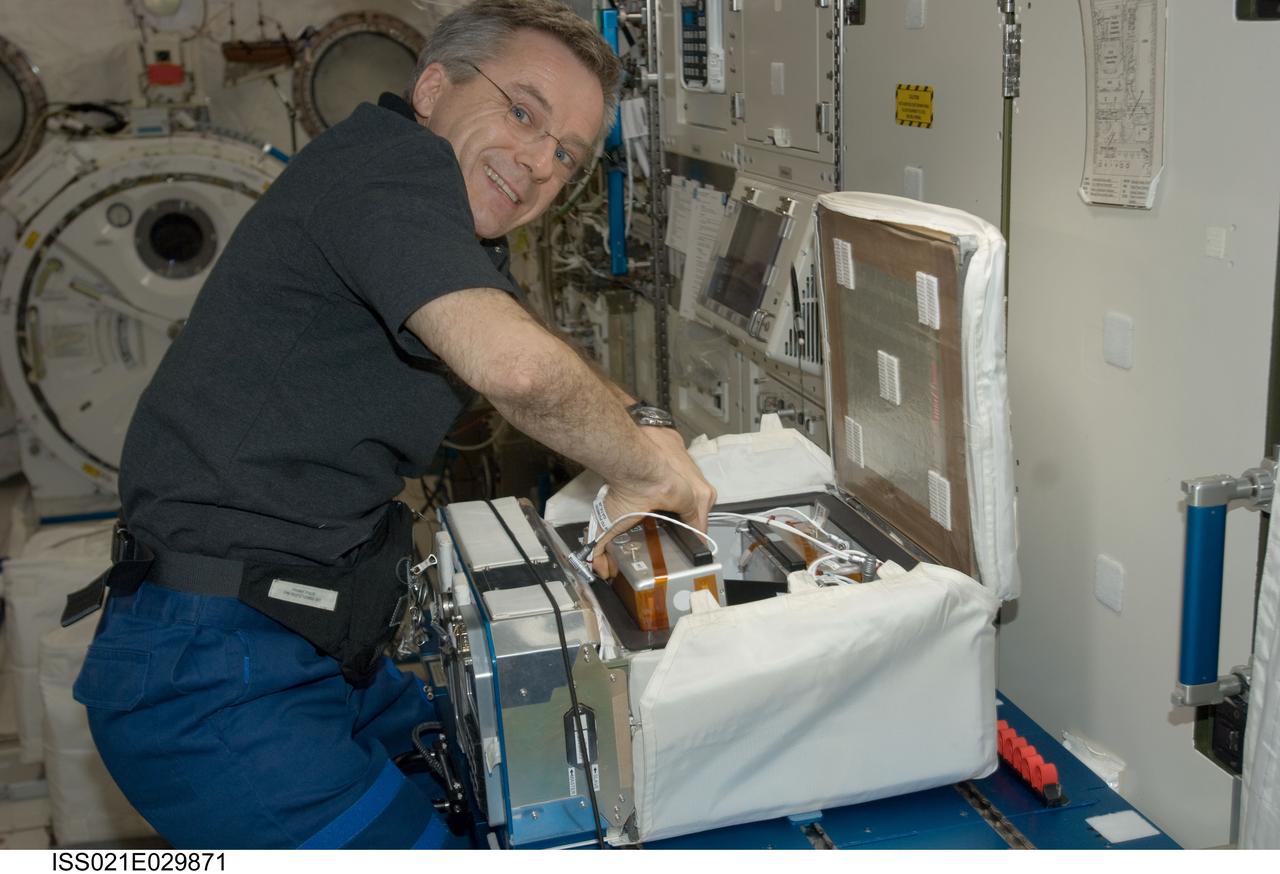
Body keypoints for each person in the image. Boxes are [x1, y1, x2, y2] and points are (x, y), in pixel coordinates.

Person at [72, 0, 715, 849]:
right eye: (523, 112)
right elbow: (518, 371)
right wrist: (651, 470)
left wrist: (644, 418)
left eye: (566, 156)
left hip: (312, 644)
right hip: (214, 678)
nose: (536, 161)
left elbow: (526, 340)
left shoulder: (415, 206)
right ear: (433, 87)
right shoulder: (392, 168)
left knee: (499, 786)